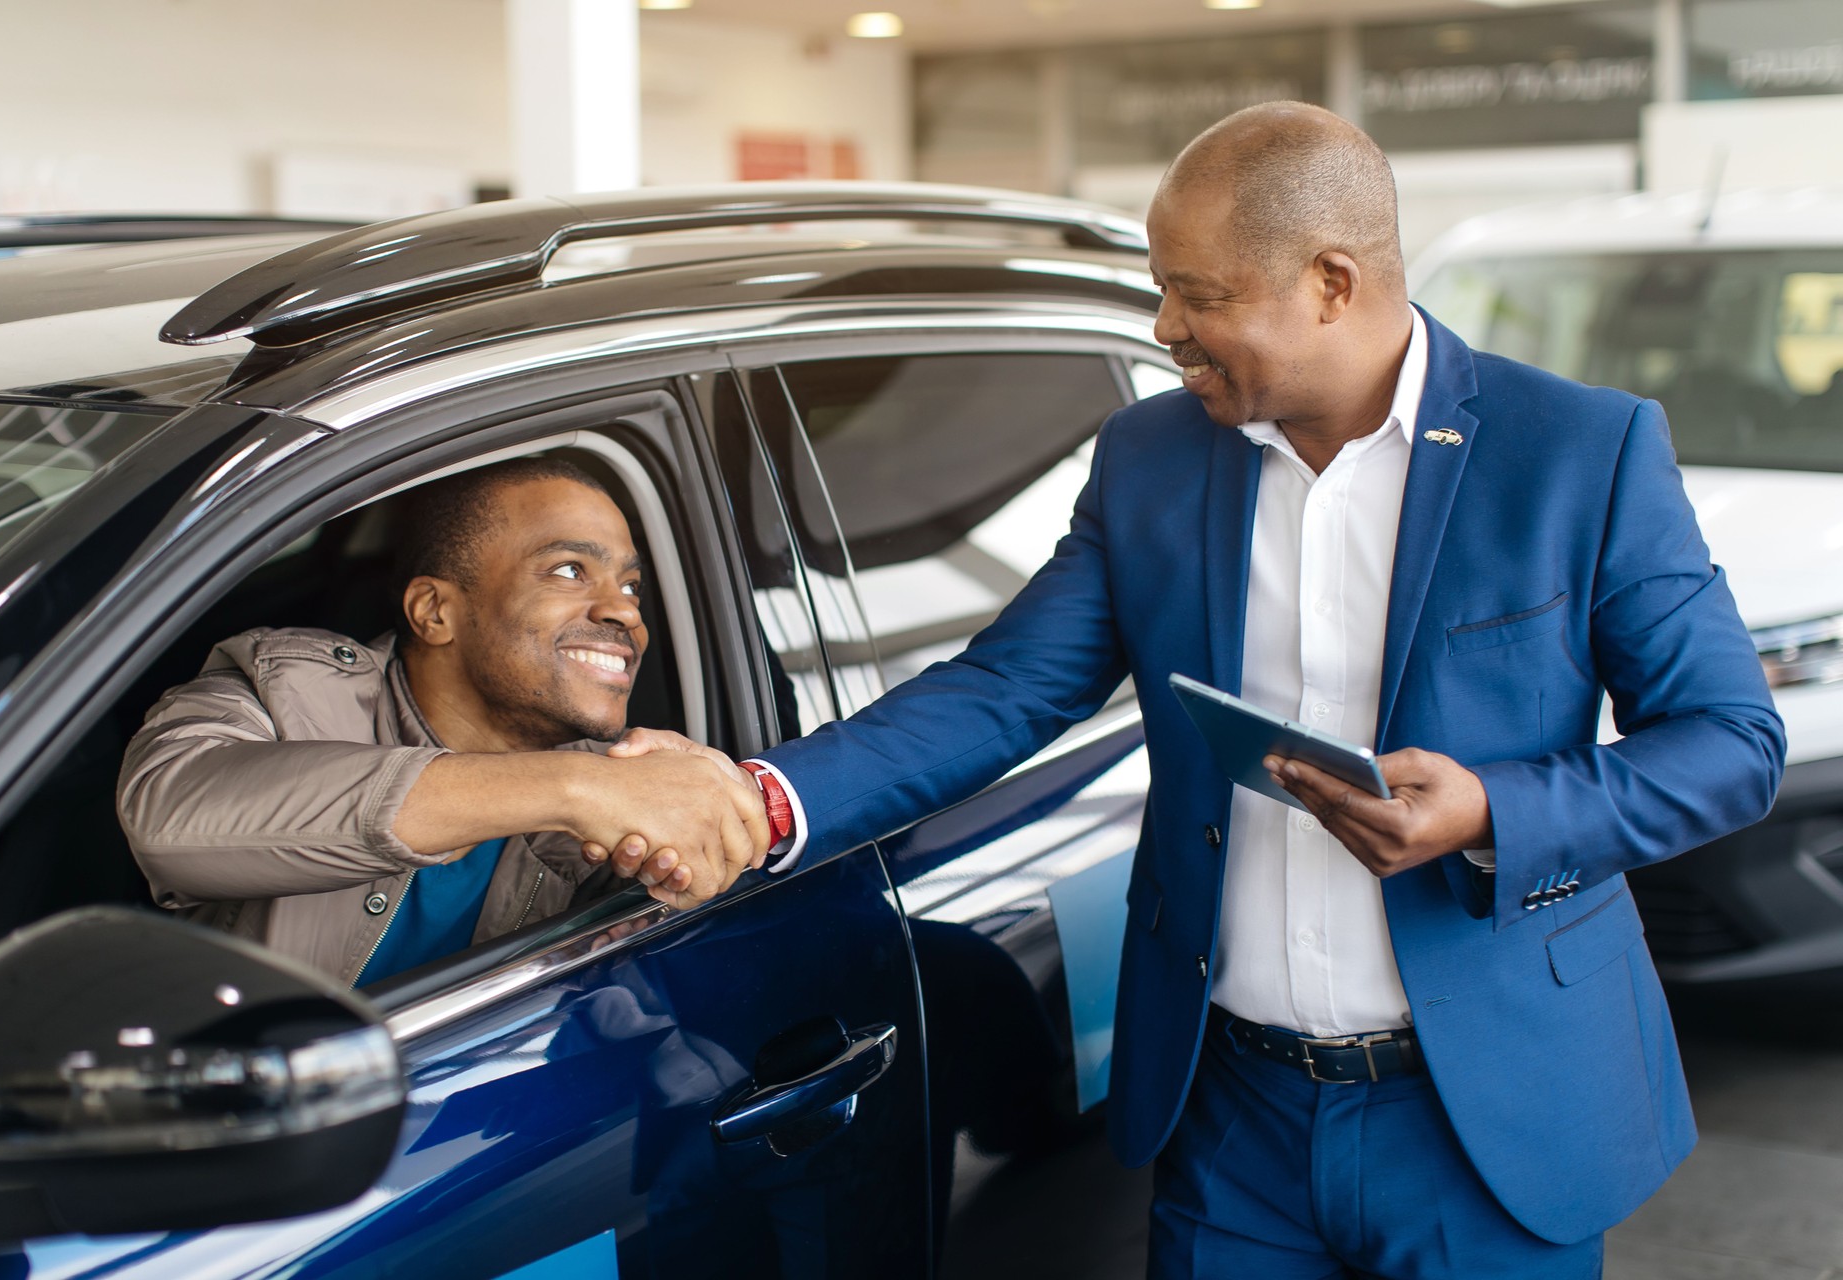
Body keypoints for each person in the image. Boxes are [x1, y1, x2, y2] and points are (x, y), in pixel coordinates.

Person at [614, 103, 1784, 1276]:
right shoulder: (1152, 456)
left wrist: (1489, 810)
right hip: (1236, 1120)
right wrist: (755, 799)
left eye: (1200, 294)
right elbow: (1008, 687)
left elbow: (1732, 743)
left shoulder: (1581, 450)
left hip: (1491, 1115)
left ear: (1332, 282)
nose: (1166, 326)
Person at [118, 455, 769, 989]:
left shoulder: (620, 797)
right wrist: (577, 789)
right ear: (434, 612)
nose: (624, 615)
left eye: (631, 589)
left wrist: (678, 876)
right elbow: (169, 815)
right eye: (571, 570)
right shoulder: (283, 689)